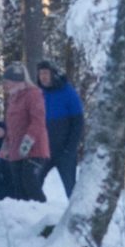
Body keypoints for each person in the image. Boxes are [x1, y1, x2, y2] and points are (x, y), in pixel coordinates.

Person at [0, 64, 49, 202]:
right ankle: (25, 220)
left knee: (30, 184)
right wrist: (6, 145)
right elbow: (12, 125)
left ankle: (44, 213)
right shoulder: (13, 99)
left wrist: (27, 142)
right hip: (16, 151)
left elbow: (38, 121)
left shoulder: (33, 95)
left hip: (34, 150)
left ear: (17, 81)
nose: (6, 85)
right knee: (19, 189)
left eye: (8, 82)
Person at [36, 60, 85, 200]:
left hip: (65, 151)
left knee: (71, 190)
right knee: (33, 186)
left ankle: (75, 219)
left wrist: (70, 148)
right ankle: (32, 217)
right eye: (40, 74)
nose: (43, 77)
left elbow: (78, 123)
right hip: (43, 151)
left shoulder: (67, 91)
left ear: (53, 74)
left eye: (46, 73)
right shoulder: (38, 94)